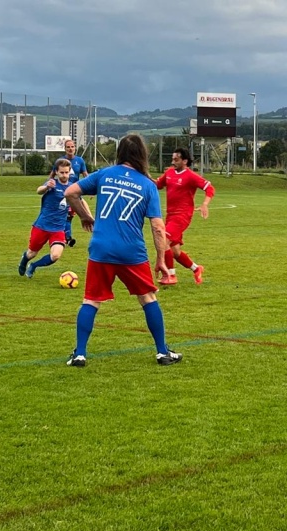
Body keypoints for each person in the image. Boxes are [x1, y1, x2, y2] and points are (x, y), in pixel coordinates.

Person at [63, 134, 181, 367]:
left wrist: (85, 216)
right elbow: (158, 227)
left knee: (91, 300)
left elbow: (70, 193)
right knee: (147, 298)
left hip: (101, 248)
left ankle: (80, 354)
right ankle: (162, 352)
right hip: (131, 251)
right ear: (142, 155)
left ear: (120, 153)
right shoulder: (147, 185)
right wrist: (161, 259)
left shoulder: (104, 174)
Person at [154, 147, 214, 285]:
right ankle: (196, 268)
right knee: (175, 251)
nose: (173, 162)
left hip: (182, 216)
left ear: (185, 161)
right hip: (170, 215)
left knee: (164, 241)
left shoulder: (191, 176)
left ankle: (170, 275)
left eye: (176, 159)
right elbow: (158, 185)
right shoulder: (169, 173)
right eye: (172, 159)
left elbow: (210, 188)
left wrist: (205, 204)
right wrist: (143, 177)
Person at [19, 159, 73, 278]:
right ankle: (25, 259)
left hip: (58, 228)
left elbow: (80, 201)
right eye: (62, 172)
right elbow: (39, 190)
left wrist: (88, 217)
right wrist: (46, 187)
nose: (64, 175)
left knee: (55, 255)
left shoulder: (72, 187)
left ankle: (34, 266)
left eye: (66, 172)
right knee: (32, 253)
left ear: (69, 172)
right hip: (42, 226)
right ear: (56, 172)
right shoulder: (52, 183)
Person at [49, 139, 89, 248]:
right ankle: (66, 237)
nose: (70, 149)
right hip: (62, 192)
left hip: (75, 192)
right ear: (65, 148)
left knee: (69, 216)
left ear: (75, 148)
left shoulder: (79, 161)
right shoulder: (60, 161)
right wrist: (48, 186)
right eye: (68, 147)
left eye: (72, 146)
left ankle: (65, 237)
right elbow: (52, 174)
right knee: (65, 215)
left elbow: (86, 175)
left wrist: (91, 188)